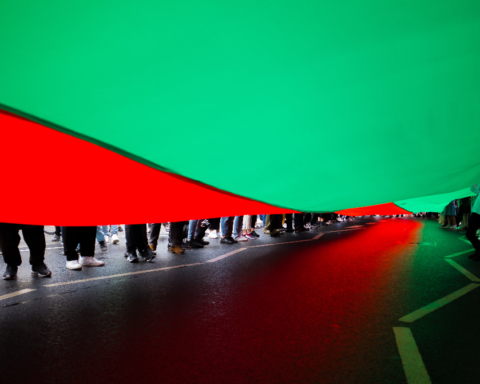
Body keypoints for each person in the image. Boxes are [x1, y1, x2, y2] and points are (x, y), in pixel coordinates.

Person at [467, 183, 480, 260]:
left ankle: (479, 251)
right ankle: (478, 251)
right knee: (470, 233)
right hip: (476, 211)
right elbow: (473, 189)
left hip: (478, 213)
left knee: (470, 233)